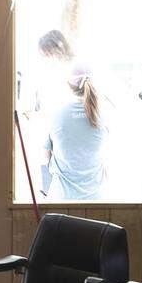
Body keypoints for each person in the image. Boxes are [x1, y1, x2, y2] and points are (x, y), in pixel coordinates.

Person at [44, 62, 107, 201]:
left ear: (69, 85)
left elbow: (45, 156)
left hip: (61, 201)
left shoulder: (56, 113)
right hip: (98, 200)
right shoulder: (104, 115)